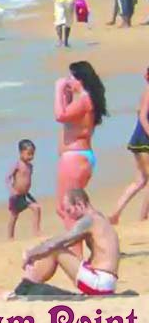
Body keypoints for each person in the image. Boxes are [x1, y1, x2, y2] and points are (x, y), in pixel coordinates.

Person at [20, 189, 119, 296]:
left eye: (69, 211)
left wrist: (30, 253)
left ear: (79, 204)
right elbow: (66, 243)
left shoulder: (88, 220)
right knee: (53, 249)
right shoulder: (98, 217)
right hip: (107, 282)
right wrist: (37, 254)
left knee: (56, 250)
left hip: (99, 282)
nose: (69, 216)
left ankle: (27, 285)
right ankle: (29, 283)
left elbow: (56, 243)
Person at [54, 61, 107, 243]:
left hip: (75, 158)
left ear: (80, 80)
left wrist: (58, 89)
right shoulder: (85, 100)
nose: (68, 80)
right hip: (78, 157)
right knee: (77, 207)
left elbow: (60, 115)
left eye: (71, 77)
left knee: (68, 208)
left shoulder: (84, 100)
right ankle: (102, 238)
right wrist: (67, 96)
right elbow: (68, 116)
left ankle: (78, 251)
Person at [109, 65, 149, 224]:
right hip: (144, 140)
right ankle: (144, 217)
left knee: (140, 180)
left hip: (140, 138)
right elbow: (143, 117)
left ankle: (115, 214)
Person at [7, 139, 42, 239]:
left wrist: (30, 196)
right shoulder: (17, 164)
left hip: (24, 195)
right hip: (16, 196)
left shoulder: (30, 166)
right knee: (14, 216)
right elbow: (8, 178)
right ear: (21, 153)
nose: (31, 156)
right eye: (28, 154)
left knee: (36, 208)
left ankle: (36, 231)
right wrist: (11, 190)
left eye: (32, 154)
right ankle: (10, 237)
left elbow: (27, 182)